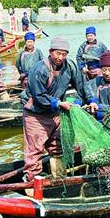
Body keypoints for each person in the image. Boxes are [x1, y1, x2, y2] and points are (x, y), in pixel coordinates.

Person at [22, 36, 99, 181]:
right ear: (50, 52)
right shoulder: (40, 69)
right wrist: (58, 103)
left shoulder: (70, 66)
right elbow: (39, 96)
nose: (60, 57)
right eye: (57, 53)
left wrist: (92, 100)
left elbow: (82, 84)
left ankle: (60, 179)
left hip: (56, 114)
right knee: (35, 150)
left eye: (64, 54)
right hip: (36, 115)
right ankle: (32, 182)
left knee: (58, 147)